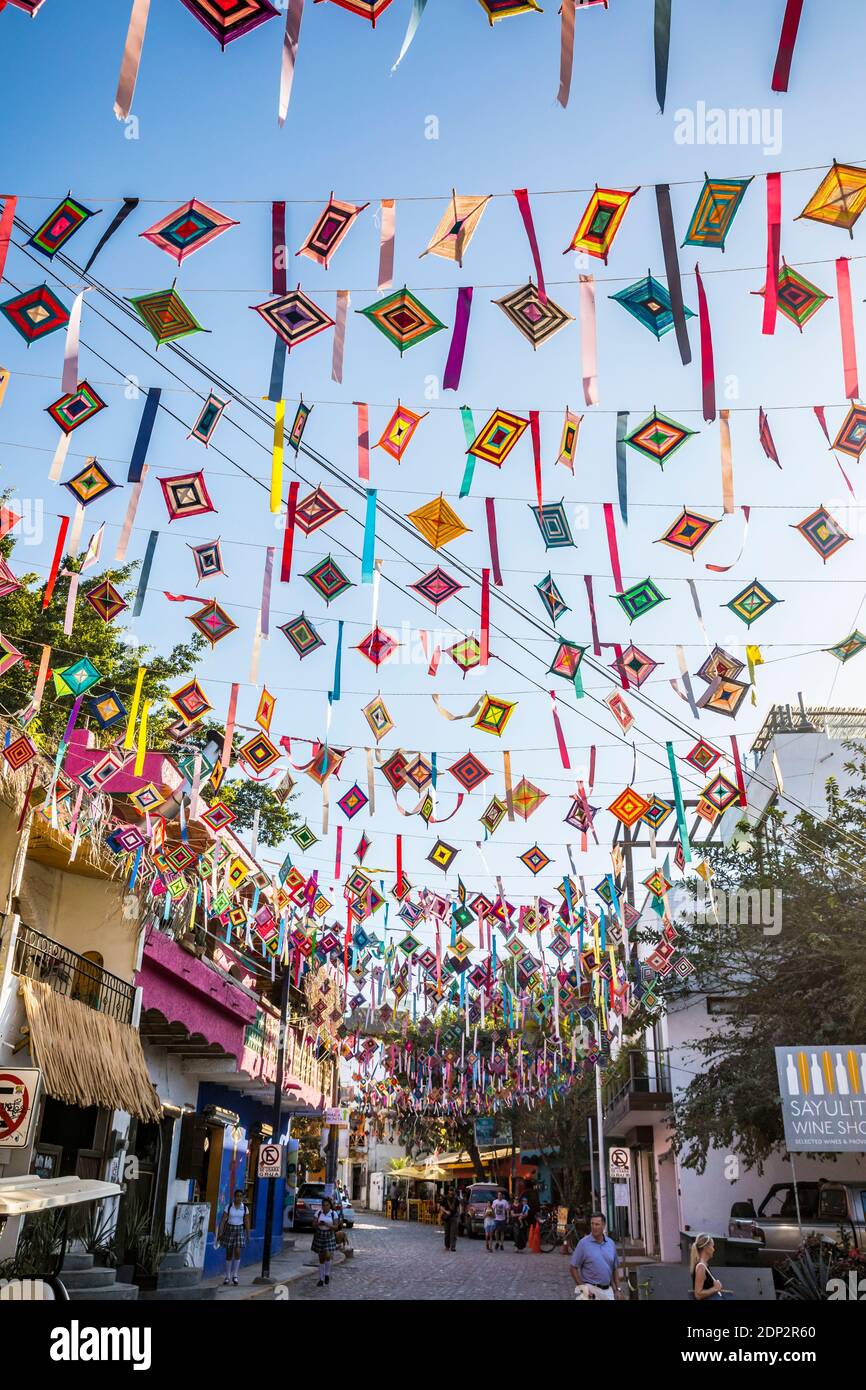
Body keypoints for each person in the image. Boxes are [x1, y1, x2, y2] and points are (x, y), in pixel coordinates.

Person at [569, 1212, 621, 1301]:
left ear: (604, 1225)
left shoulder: (611, 1244)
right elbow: (572, 1267)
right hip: (590, 1290)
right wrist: (583, 1288)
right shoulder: (583, 1244)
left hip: (608, 1290)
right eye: (592, 1224)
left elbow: (614, 1269)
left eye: (597, 1224)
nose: (594, 1227)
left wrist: (618, 1290)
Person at [216, 1188, 250, 1287]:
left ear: (243, 1197)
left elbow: (247, 1221)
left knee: (238, 1251)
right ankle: (227, 1277)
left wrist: (248, 1234)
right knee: (229, 1253)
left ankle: (235, 1276)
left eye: (241, 1196)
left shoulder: (244, 1208)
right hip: (229, 1229)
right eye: (237, 1196)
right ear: (234, 1197)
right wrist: (220, 1232)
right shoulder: (229, 1206)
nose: (239, 1198)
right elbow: (223, 1220)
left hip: (239, 1230)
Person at [690, 1234, 734, 1301]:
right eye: (712, 1246)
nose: (714, 1249)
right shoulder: (701, 1267)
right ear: (706, 1247)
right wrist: (715, 1288)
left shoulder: (704, 1265)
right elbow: (698, 1295)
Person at [312, 1196, 338, 1287]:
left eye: (326, 1205)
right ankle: (321, 1279)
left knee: (327, 1255)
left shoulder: (333, 1214)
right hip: (319, 1235)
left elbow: (336, 1227)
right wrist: (318, 1224)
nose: (325, 1207)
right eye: (323, 1205)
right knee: (321, 1258)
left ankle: (327, 1274)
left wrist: (327, 1224)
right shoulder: (318, 1213)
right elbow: (313, 1225)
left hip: (329, 1235)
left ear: (329, 1206)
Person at [438, 1186, 461, 1252]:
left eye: (452, 1190)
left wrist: (459, 1214)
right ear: (448, 1191)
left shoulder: (456, 1198)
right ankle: (447, 1246)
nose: (451, 1192)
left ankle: (453, 1247)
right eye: (450, 1190)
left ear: (453, 1191)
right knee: (447, 1233)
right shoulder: (445, 1198)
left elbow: (458, 1207)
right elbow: (441, 1207)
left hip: (454, 1217)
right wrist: (446, 1211)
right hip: (446, 1217)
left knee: (453, 1233)